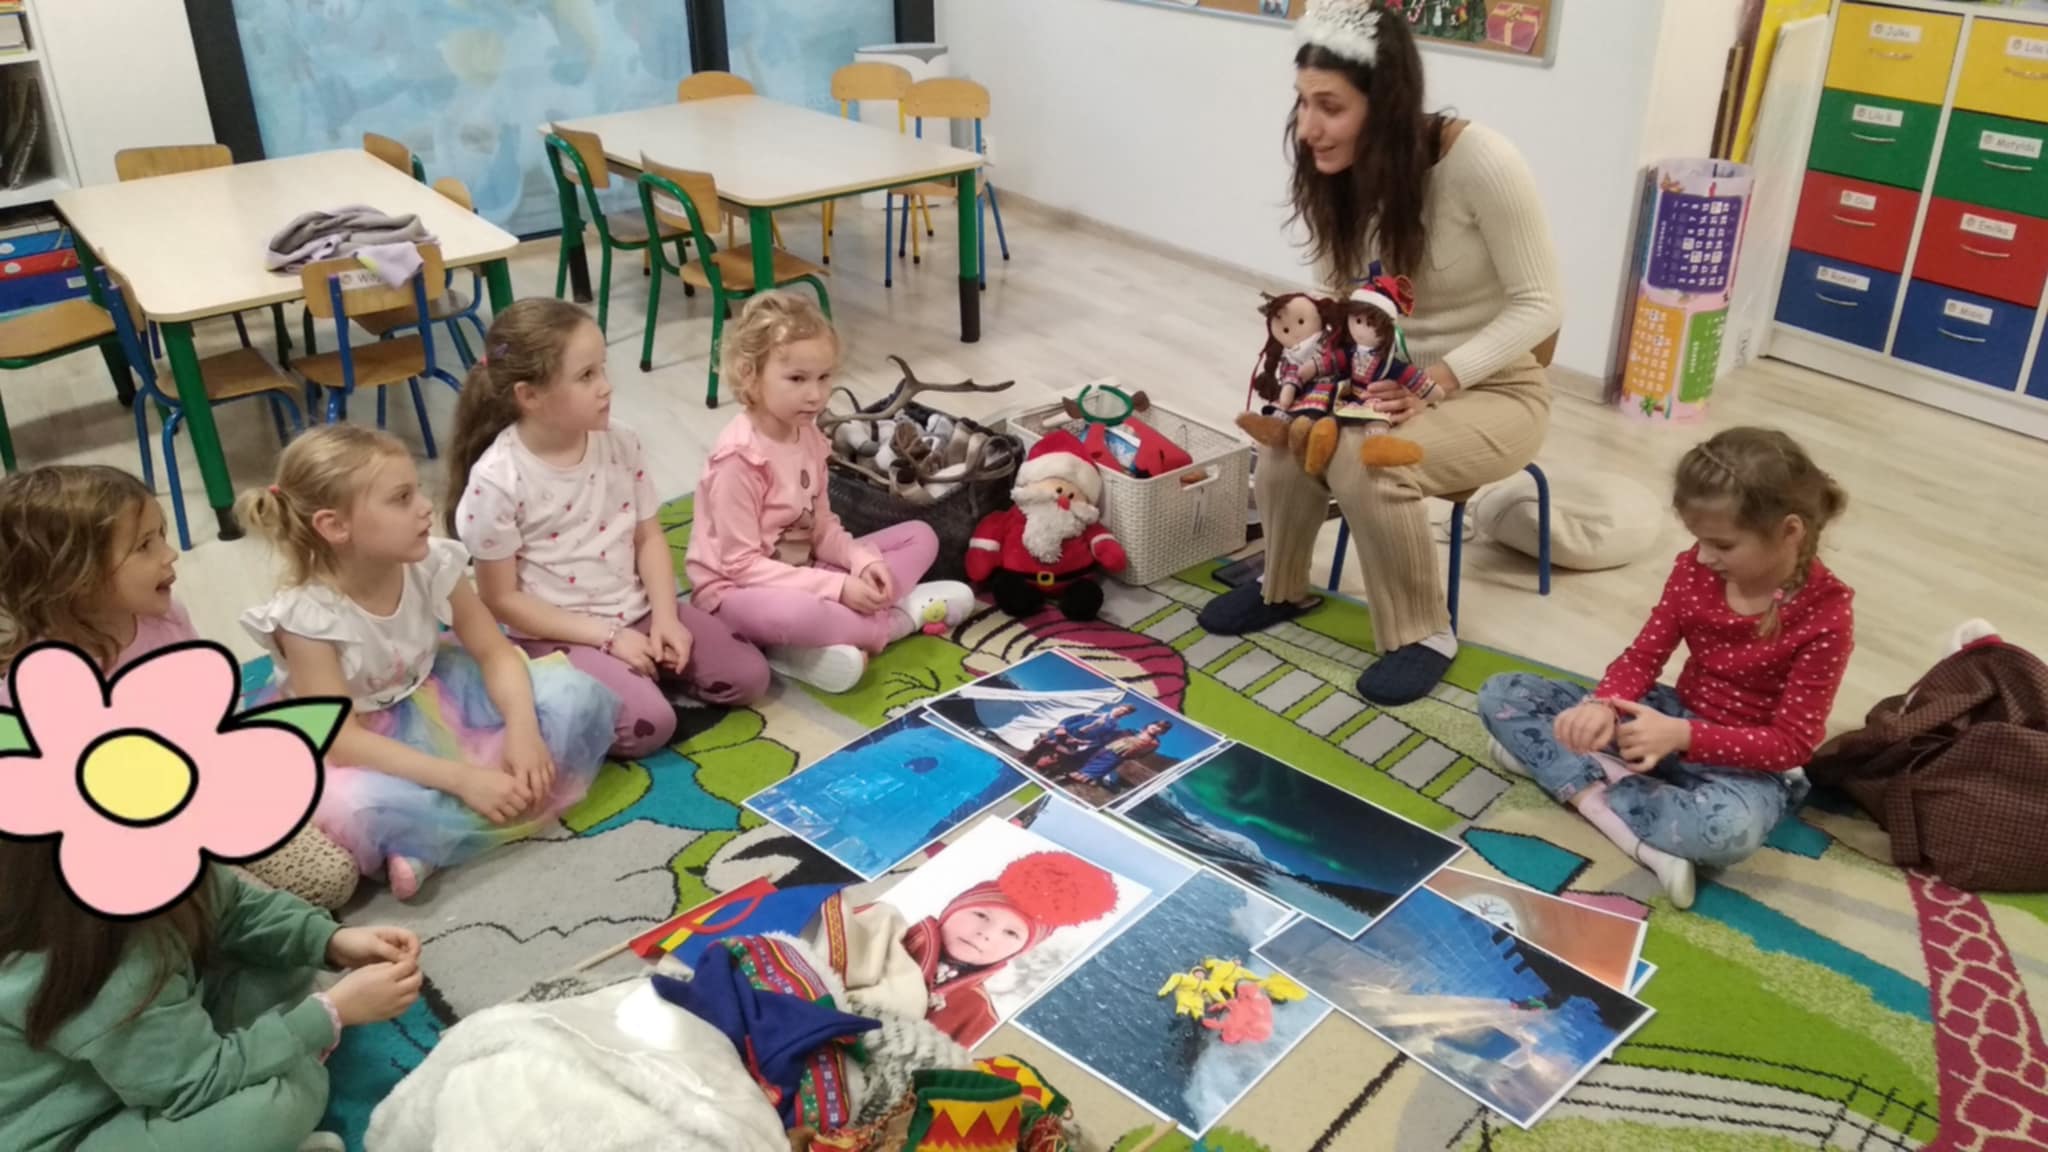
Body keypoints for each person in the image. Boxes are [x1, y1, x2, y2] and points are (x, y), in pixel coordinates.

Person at [1200, 0, 1563, 707]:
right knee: (1291, 433)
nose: (1308, 127)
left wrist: (1436, 380)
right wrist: (1313, 371)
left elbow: (1542, 304)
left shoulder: (1482, 162)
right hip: (1383, 381)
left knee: (1368, 458)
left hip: (1496, 391)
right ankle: (1281, 586)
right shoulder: (1342, 174)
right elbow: (1347, 303)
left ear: (1387, 104)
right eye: (1303, 102)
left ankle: (1423, 632)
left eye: (1330, 107)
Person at [237, 426, 619, 902]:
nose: (425, 507)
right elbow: (343, 740)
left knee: (574, 695)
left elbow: (495, 651)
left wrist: (524, 730)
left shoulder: (432, 562)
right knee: (357, 807)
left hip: (439, 689)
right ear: (335, 527)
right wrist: (464, 779)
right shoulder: (307, 617)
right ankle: (431, 831)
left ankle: (444, 821)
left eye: (416, 490)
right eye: (401, 498)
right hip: (359, 738)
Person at [1478, 428, 1853, 908]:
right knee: (1501, 693)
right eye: (1698, 540)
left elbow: (1792, 744)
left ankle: (1571, 777)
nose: (1704, 556)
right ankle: (1626, 819)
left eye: (1722, 545)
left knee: (1728, 833)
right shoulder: (1695, 569)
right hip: (1666, 719)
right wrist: (1603, 706)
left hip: (1744, 763)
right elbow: (1643, 656)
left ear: (1790, 531)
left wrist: (1682, 737)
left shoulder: (1827, 615)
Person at [0, 466, 358, 911]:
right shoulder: (34, 680)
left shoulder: (166, 619)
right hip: (132, 837)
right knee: (231, 912)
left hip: (204, 790)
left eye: (161, 536)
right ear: (74, 575)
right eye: (144, 546)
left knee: (332, 879)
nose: (169, 555)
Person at [444, 298, 771, 759]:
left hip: (633, 610)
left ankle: (639, 670)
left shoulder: (621, 441)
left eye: (602, 368)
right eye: (586, 376)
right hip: (555, 632)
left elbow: (648, 536)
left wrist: (665, 617)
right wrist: (609, 639)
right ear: (529, 396)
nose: (606, 386)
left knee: (749, 677)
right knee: (649, 725)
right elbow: (502, 600)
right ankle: (546, 687)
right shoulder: (497, 480)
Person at [0, 843, 421, 1152]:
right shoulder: (88, 969)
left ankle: (273, 1057)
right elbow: (196, 1084)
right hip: (82, 1133)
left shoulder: (158, 862)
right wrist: (328, 1015)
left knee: (286, 957)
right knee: (271, 1110)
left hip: (150, 1054)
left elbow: (234, 905)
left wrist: (330, 940)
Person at [685, 292, 975, 694]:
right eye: (797, 379)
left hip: (805, 572)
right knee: (797, 613)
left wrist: (860, 563)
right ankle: (896, 622)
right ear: (750, 375)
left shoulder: (808, 435)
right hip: (736, 594)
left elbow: (822, 527)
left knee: (921, 535)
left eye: (824, 378)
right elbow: (740, 567)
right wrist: (837, 588)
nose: (815, 395)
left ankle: (829, 633)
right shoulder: (738, 460)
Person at [896, 851, 1120, 1047]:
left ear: (1021, 950)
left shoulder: (979, 1020)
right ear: (953, 908)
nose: (986, 933)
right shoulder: (883, 932)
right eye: (981, 915)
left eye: (1011, 933)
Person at [1064, 719, 1174, 793]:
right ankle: (1070, 777)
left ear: (1162, 733)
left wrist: (1128, 754)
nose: (1157, 728)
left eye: (1161, 729)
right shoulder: (1133, 731)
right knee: (1092, 762)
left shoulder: (1154, 743)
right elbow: (1115, 736)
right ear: (1150, 724)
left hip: (1118, 756)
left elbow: (1143, 754)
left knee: (1098, 769)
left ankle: (1077, 781)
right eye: (1156, 725)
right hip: (1108, 748)